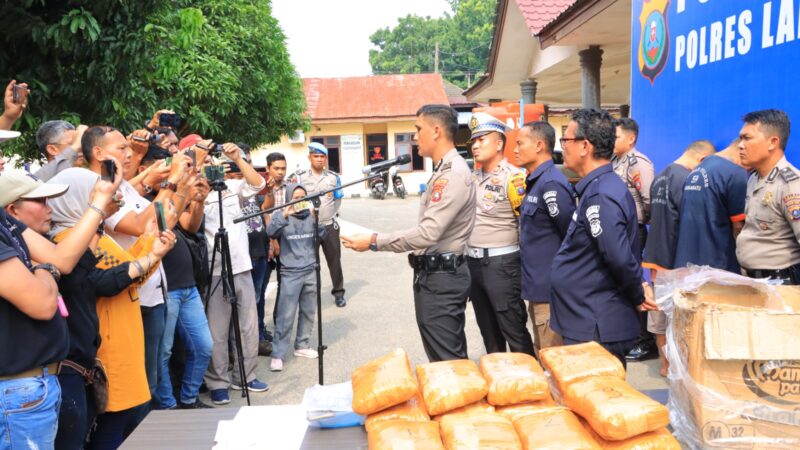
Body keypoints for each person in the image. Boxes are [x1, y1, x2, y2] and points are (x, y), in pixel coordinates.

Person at [46, 168, 174, 448]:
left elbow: (130, 276)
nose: (112, 197)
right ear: (78, 198)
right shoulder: (65, 242)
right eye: (98, 192)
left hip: (121, 341)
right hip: (106, 351)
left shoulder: (95, 235)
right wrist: (150, 251)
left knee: (122, 424)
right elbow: (106, 282)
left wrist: (152, 246)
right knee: (108, 430)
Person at [342, 104, 476, 362]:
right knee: (441, 359)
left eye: (418, 129)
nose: (414, 137)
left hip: (443, 278)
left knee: (449, 364)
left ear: (436, 131)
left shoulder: (453, 175)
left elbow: (428, 233)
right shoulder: (443, 171)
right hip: (433, 275)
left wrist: (373, 241)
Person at [550, 109, 657, 367]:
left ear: (585, 146)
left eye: (566, 140)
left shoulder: (601, 195)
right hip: (586, 319)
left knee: (597, 397)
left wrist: (637, 293)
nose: (562, 146)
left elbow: (618, 257)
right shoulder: (597, 188)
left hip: (595, 325)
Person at [134, 146, 215, 410]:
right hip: (162, 290)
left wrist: (199, 199)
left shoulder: (171, 197)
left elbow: (190, 225)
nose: (171, 171)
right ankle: (168, 405)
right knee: (163, 353)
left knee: (203, 346)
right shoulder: (141, 204)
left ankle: (189, 398)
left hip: (187, 286)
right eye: (163, 167)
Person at [202, 141, 269, 405]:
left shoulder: (231, 187)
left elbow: (257, 184)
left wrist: (238, 158)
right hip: (215, 270)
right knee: (217, 331)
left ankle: (245, 376)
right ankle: (217, 382)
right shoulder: (196, 191)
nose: (214, 166)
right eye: (209, 162)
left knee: (248, 327)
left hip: (241, 266)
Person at [642, 140, 715, 377]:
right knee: (677, 320)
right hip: (676, 260)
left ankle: (665, 366)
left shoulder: (660, 176)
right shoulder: (686, 179)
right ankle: (678, 368)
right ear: (702, 160)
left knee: (659, 320)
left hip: (656, 257)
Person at [465, 112, 534, 355]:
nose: (475, 146)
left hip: (502, 265)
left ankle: (529, 385)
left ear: (499, 143)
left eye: (481, 140)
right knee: (488, 333)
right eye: (473, 141)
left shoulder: (514, 178)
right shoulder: (472, 178)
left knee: (513, 329)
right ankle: (501, 385)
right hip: (473, 263)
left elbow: (526, 226)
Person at [514, 121, 574, 355]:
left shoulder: (551, 184)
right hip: (538, 289)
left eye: (520, 143)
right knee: (543, 353)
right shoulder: (537, 181)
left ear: (539, 145)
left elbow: (570, 236)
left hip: (551, 292)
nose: (515, 149)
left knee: (553, 359)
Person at [611, 117, 657, 363]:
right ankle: (628, 335)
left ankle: (644, 340)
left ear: (631, 139)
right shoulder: (615, 161)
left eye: (616, 136)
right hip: (617, 230)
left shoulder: (638, 163)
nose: (612, 140)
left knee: (635, 281)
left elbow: (648, 199)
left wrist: (639, 222)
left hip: (633, 231)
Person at [736, 109, 800, 284]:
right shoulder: (754, 179)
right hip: (753, 281)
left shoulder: (791, 184)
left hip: (782, 284)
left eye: (747, 138)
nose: (740, 145)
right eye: (741, 138)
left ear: (772, 142)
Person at [266, 184, 323, 371]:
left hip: (310, 269)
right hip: (290, 272)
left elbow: (322, 235)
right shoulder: (281, 216)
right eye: (296, 198)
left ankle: (302, 345)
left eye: (303, 198)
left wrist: (316, 218)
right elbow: (270, 232)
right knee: (286, 314)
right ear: (289, 199)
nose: (300, 201)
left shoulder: (310, 215)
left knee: (308, 311)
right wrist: (284, 215)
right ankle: (278, 354)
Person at [673, 139, 749, 273]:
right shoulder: (736, 173)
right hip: (718, 268)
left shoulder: (694, 172)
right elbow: (739, 227)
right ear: (742, 151)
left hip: (686, 265)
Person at [291, 143, 347, 307]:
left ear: (325, 159)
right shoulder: (300, 178)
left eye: (322, 157)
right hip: (309, 226)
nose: (319, 159)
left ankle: (338, 293)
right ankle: (311, 294)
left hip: (329, 225)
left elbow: (337, 199)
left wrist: (330, 214)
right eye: (316, 156)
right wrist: (307, 215)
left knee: (335, 261)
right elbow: (295, 201)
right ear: (309, 157)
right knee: (311, 263)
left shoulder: (333, 177)